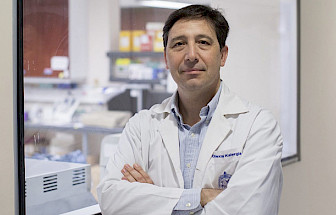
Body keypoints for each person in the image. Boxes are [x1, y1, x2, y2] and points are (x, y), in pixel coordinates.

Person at [97, 4, 283, 215]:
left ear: (223, 55)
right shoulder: (141, 126)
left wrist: (156, 199)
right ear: (166, 58)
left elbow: (249, 211)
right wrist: (201, 197)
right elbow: (111, 198)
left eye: (203, 42)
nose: (191, 55)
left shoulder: (258, 126)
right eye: (179, 44)